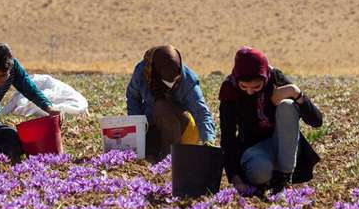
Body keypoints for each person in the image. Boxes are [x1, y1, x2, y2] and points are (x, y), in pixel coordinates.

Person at [219, 46, 323, 194]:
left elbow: (317, 121)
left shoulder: (274, 78)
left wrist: (295, 92)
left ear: (265, 77)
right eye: (244, 86)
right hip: (253, 149)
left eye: (256, 87)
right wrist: (235, 179)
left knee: (287, 105)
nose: (249, 92)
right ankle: (270, 179)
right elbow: (227, 137)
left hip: (285, 147)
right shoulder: (230, 90)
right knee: (260, 171)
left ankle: (284, 179)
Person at [126, 45, 215, 160]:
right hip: (155, 124)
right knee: (147, 149)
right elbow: (133, 97)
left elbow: (201, 112)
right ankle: (154, 154)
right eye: (168, 82)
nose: (172, 85)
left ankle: (169, 158)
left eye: (176, 80)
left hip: (186, 130)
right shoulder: (143, 72)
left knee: (161, 106)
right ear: (156, 73)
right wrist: (137, 128)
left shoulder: (188, 79)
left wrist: (208, 141)